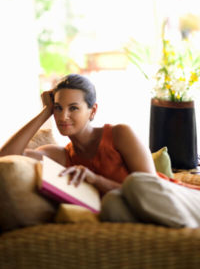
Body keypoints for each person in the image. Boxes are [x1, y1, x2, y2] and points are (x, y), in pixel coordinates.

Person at [1, 73, 200, 228]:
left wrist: (96, 180)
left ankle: (190, 233)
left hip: (181, 200)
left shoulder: (120, 134)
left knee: (135, 184)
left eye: (73, 108)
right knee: (112, 204)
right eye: (58, 108)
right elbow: (6, 157)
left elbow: (151, 186)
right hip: (141, 215)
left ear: (93, 111)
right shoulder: (61, 155)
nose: (63, 117)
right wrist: (44, 112)